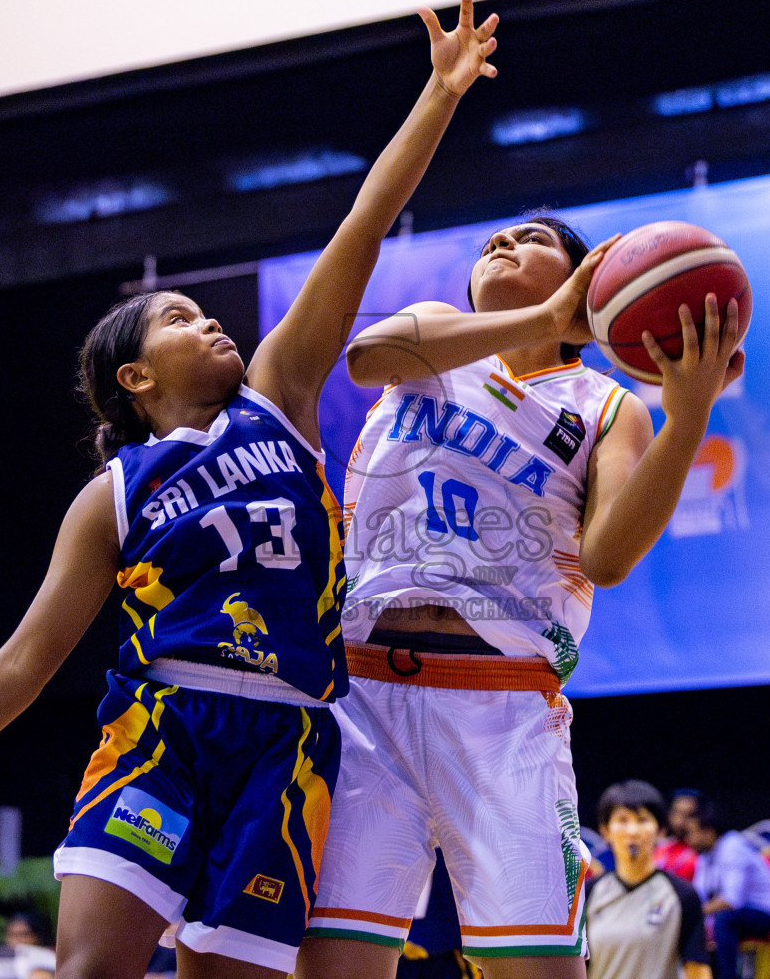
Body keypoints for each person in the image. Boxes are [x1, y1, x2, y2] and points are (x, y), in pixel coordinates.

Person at [0, 0, 500, 979]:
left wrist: (441, 94)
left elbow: (364, 224)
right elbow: (25, 661)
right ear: (133, 378)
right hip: (161, 726)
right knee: (90, 971)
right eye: (182, 317)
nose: (210, 323)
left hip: (287, 741)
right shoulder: (114, 494)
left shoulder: (279, 397)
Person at [297, 164, 744, 977]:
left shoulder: (606, 405)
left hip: (503, 708)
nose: (503, 240)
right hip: (362, 698)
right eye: (495, 239)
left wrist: (691, 415)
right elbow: (365, 357)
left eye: (533, 238)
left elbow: (607, 557)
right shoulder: (433, 336)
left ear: (588, 291)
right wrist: (539, 313)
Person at [585, 781, 708, 979]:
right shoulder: (588, 894)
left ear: (661, 831)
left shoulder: (683, 895)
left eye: (642, 820)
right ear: (605, 831)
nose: (632, 831)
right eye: (623, 820)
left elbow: (698, 971)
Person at [684, 800, 770, 979]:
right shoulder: (705, 856)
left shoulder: (732, 847)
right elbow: (698, 896)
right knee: (694, 923)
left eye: (692, 833)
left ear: (708, 831)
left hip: (768, 913)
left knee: (725, 920)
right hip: (739, 915)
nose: (688, 840)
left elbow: (732, 901)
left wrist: (698, 911)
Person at [653, 789, 700, 883]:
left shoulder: (702, 852)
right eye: (677, 813)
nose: (680, 821)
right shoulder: (661, 847)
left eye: (689, 815)